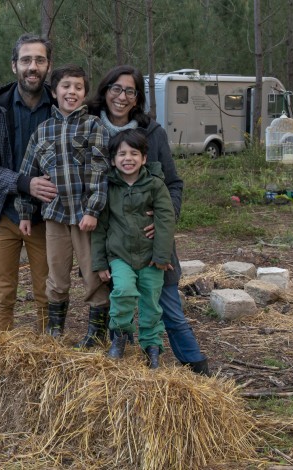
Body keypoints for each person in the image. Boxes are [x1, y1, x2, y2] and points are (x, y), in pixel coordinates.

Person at [86, 64, 210, 375]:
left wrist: (165, 220)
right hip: (114, 241)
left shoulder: (152, 133)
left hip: (152, 238)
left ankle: (194, 364)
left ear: (138, 97)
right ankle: (118, 344)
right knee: (117, 297)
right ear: (105, 91)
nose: (122, 96)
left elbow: (173, 183)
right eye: (116, 88)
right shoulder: (88, 128)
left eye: (130, 90)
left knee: (165, 301)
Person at [16, 64, 110, 338]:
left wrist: (93, 210)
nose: (72, 92)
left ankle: (97, 335)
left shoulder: (94, 126)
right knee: (56, 277)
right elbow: (28, 172)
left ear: (84, 94)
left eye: (78, 88)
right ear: (54, 93)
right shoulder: (42, 131)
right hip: (55, 216)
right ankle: (55, 331)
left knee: (93, 277)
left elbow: (100, 171)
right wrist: (25, 212)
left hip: (85, 218)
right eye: (66, 86)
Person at [0, 34, 59, 334]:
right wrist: (25, 183)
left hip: (47, 218)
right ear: (14, 66)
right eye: (26, 60)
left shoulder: (60, 109)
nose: (32, 67)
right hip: (3, 216)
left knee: (48, 295)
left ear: (48, 65)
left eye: (39, 60)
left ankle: (49, 360)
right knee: (2, 295)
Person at [92, 129, 175, 368]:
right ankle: (119, 337)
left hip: (151, 257)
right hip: (120, 256)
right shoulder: (108, 187)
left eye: (134, 153)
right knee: (123, 292)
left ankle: (152, 347)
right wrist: (99, 263)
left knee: (151, 301)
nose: (128, 158)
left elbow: (166, 220)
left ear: (144, 158)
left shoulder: (155, 185)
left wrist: (161, 255)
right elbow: (100, 227)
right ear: (113, 160)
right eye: (121, 154)